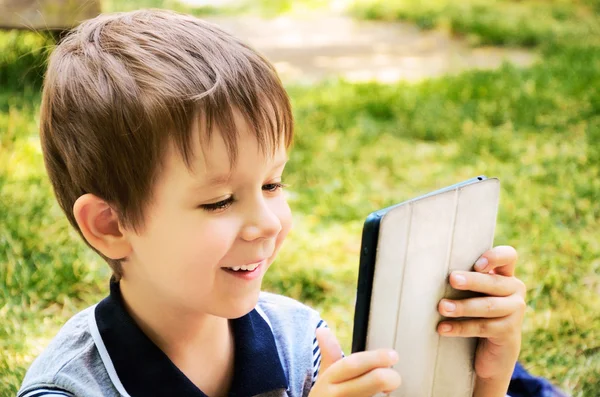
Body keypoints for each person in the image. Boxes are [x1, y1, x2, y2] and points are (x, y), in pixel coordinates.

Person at [18, 9, 527, 397]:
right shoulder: (70, 389)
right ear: (110, 224)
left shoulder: (299, 341)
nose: (266, 222)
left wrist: (484, 379)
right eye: (219, 201)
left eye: (272, 185)